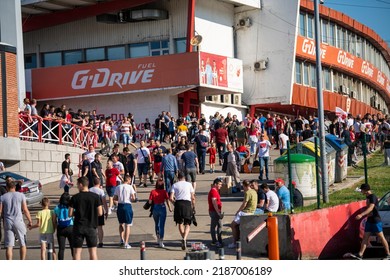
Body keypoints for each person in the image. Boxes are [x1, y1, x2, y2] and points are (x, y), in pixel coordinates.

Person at [69, 176, 103, 260]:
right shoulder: (95, 197)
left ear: (81, 185)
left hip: (78, 227)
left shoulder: (75, 197)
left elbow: (70, 214)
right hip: (91, 226)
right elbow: (100, 212)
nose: (77, 186)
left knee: (77, 252)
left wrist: (77, 213)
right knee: (93, 252)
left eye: (77, 184)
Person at [353, 183, 390, 260]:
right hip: (369, 220)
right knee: (365, 238)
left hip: (375, 220)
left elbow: (371, 208)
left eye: (362, 190)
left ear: (365, 190)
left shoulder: (372, 197)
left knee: (381, 237)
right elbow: (362, 191)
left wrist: (361, 215)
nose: (361, 191)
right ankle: (360, 254)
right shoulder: (368, 196)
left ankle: (388, 254)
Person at [0, 180, 33, 260]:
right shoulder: (21, 196)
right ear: (14, 187)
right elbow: (25, 210)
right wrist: (30, 220)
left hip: (7, 222)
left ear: (7, 188)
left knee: (9, 245)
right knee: (22, 243)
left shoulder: (2, 197)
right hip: (18, 221)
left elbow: (0, 211)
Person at [169, 171, 196, 250]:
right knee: (187, 223)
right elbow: (193, 197)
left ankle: (183, 238)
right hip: (187, 204)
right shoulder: (189, 184)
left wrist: (174, 203)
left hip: (178, 204)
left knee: (180, 223)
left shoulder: (174, 185)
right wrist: (193, 206)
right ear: (185, 177)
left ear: (178, 177)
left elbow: (170, 198)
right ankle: (184, 238)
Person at [228, 180, 257, 249]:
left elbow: (244, 204)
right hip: (252, 211)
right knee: (237, 225)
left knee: (233, 225)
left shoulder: (247, 193)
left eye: (243, 186)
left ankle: (235, 242)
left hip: (246, 212)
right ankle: (237, 239)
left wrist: (238, 211)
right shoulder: (254, 191)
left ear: (244, 186)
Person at [113, 175, 136, 249]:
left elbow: (115, 198)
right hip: (127, 205)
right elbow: (133, 198)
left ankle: (121, 239)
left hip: (120, 205)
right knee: (128, 225)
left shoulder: (118, 187)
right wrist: (133, 198)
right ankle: (126, 242)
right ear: (128, 180)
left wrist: (116, 204)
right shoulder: (130, 187)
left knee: (121, 223)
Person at [148, 179, 172, 248]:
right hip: (162, 207)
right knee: (162, 225)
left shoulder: (153, 191)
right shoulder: (164, 192)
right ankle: (161, 240)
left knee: (156, 224)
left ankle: (158, 238)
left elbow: (150, 202)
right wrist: (170, 208)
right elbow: (167, 200)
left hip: (155, 208)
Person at [53, 192, 74, 260]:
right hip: (70, 228)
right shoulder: (71, 207)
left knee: (61, 248)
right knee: (72, 247)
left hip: (61, 229)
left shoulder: (56, 208)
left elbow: (54, 220)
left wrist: (56, 228)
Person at [89, 177, 109, 248]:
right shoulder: (101, 191)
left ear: (93, 183)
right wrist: (106, 211)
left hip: (91, 210)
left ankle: (92, 242)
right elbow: (104, 202)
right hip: (99, 209)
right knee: (100, 227)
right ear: (99, 183)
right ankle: (100, 242)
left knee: (92, 227)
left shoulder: (89, 190)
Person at [208, 178, 223, 247]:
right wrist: (218, 212)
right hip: (214, 212)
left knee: (219, 225)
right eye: (219, 184)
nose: (221, 186)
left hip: (216, 211)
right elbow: (214, 202)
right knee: (214, 226)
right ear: (215, 184)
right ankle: (215, 241)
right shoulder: (213, 191)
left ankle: (219, 240)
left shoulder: (215, 191)